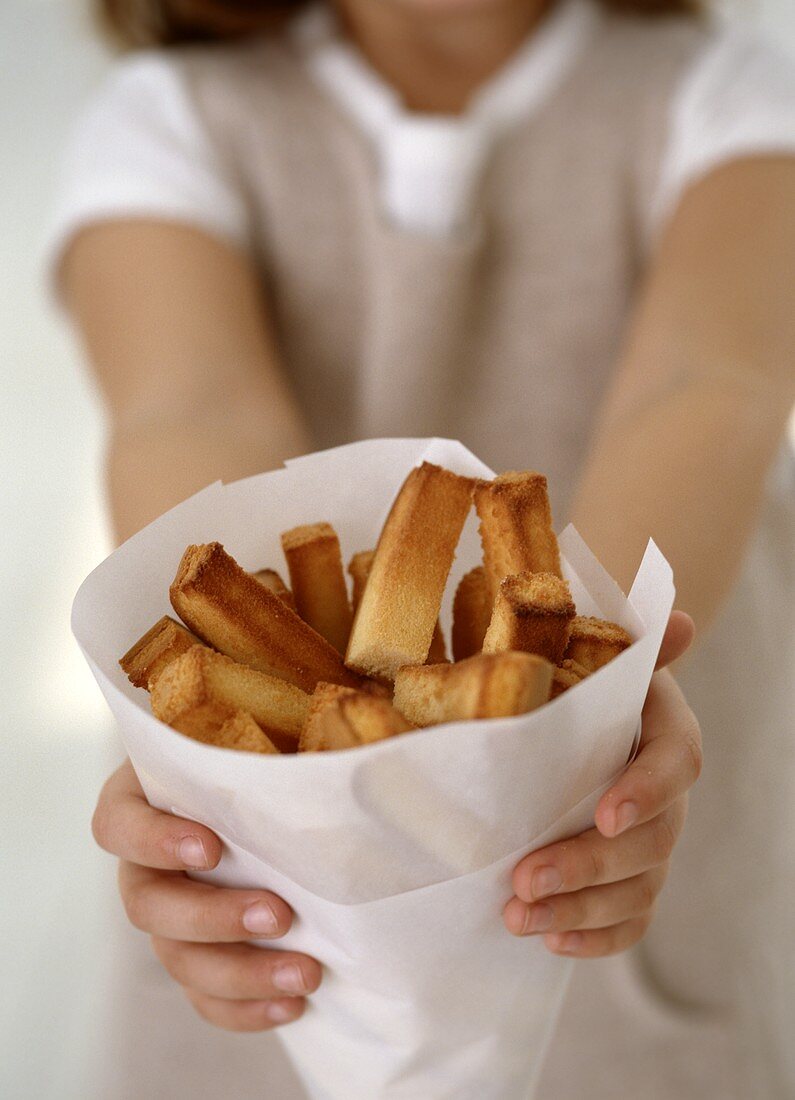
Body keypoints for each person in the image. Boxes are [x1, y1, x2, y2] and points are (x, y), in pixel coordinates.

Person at [51, 0, 794, 1096]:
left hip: (619, 849)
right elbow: (192, 415)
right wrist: (196, 750)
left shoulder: (727, 94)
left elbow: (709, 389)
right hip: (272, 914)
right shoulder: (172, 117)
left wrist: (605, 683)